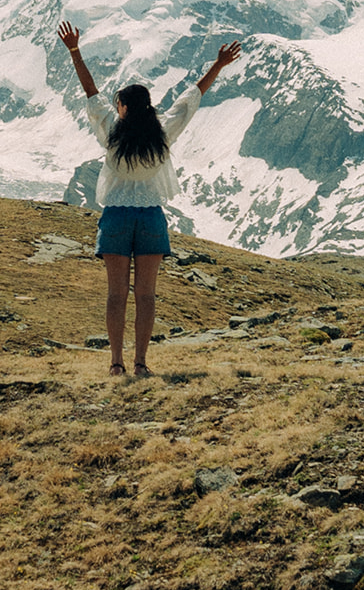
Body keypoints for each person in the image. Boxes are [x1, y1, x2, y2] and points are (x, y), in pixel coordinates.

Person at [56, 21, 242, 378]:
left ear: (123, 107)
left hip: (115, 219)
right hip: (151, 218)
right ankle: (141, 362)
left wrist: (75, 51)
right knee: (146, 295)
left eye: (118, 104)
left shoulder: (111, 132)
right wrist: (218, 65)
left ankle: (116, 363)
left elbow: (91, 93)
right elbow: (192, 99)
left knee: (116, 295)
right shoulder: (163, 131)